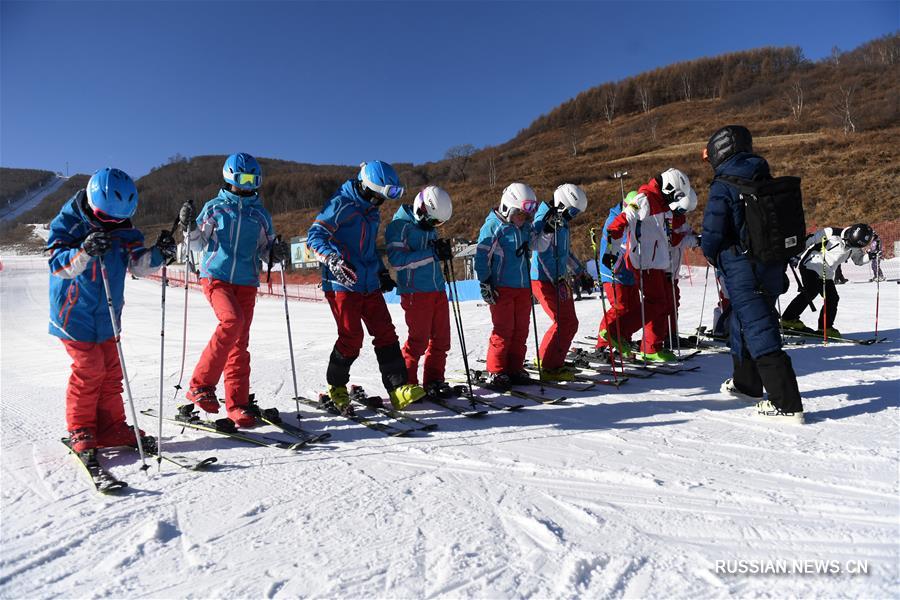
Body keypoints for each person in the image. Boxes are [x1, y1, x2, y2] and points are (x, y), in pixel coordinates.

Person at [48, 168, 175, 453]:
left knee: (111, 372)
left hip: (108, 315)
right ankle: (81, 427)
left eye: (119, 219)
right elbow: (57, 265)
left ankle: (111, 427)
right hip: (73, 314)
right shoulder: (69, 223)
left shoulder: (125, 230)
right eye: (106, 218)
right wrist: (85, 250)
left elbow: (137, 265)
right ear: (93, 203)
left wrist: (158, 254)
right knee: (89, 368)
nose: (112, 224)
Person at [701, 125, 804, 423]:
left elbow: (712, 233)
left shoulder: (724, 184)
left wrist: (713, 255)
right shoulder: (762, 177)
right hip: (771, 266)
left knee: (759, 328)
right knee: (741, 322)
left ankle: (787, 403)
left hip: (744, 268)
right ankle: (747, 384)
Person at [307, 161, 426, 412]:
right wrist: (332, 259)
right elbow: (315, 236)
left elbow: (368, 248)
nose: (380, 202)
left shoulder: (372, 211)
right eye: (378, 196)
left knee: (385, 332)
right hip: (341, 281)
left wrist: (381, 272)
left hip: (368, 282)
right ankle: (337, 386)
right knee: (351, 337)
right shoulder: (340, 204)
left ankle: (397, 389)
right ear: (367, 188)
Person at [180, 153, 288, 427]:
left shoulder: (260, 214)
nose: (249, 184)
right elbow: (196, 243)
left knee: (240, 343)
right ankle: (200, 385)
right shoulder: (215, 208)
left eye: (254, 180)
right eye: (244, 179)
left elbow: (266, 251)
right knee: (232, 321)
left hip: (246, 281)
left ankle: (237, 404)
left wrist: (276, 252)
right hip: (216, 277)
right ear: (230, 178)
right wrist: (189, 226)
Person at [605, 169, 698, 362]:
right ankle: (616, 332)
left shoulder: (662, 204)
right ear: (668, 187)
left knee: (660, 303)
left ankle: (651, 347)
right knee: (656, 302)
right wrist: (612, 248)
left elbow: (667, 236)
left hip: (656, 262)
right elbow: (621, 220)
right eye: (676, 195)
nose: (675, 200)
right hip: (645, 261)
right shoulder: (644, 198)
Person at [475, 183, 552, 390]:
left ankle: (514, 368)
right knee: (504, 330)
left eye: (526, 216)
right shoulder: (494, 227)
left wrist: (547, 231)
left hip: (522, 288)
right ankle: (497, 370)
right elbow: (481, 257)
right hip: (502, 288)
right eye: (520, 214)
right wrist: (486, 281)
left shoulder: (524, 228)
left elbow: (539, 245)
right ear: (508, 208)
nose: (523, 219)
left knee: (521, 330)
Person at [385, 185, 455, 399]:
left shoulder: (427, 223)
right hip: (416, 292)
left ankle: (434, 380)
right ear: (421, 208)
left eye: (439, 223)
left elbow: (430, 254)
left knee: (442, 340)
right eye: (433, 221)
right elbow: (397, 261)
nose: (435, 226)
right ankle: (407, 383)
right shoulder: (399, 226)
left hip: (437, 289)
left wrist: (440, 251)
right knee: (418, 340)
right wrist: (432, 253)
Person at [530, 184, 588, 380]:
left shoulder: (562, 221)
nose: (573, 216)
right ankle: (550, 367)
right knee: (564, 322)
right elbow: (539, 254)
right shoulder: (543, 219)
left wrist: (581, 272)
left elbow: (565, 252)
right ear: (563, 203)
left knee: (568, 322)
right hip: (545, 279)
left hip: (558, 279)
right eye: (572, 211)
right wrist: (555, 279)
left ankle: (546, 358)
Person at [781, 223, 874, 337]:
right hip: (811, 264)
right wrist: (796, 255)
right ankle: (788, 319)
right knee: (811, 290)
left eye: (853, 246)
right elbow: (809, 240)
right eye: (848, 243)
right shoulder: (831, 233)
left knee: (832, 298)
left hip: (827, 273)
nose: (849, 246)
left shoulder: (856, 245)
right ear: (849, 234)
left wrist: (870, 256)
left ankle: (825, 327)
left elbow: (858, 260)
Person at [595, 191, 639, 358]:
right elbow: (613, 246)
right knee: (619, 306)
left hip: (629, 271)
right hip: (613, 272)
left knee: (634, 307)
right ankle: (604, 342)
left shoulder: (636, 220)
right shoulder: (614, 219)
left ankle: (622, 338)